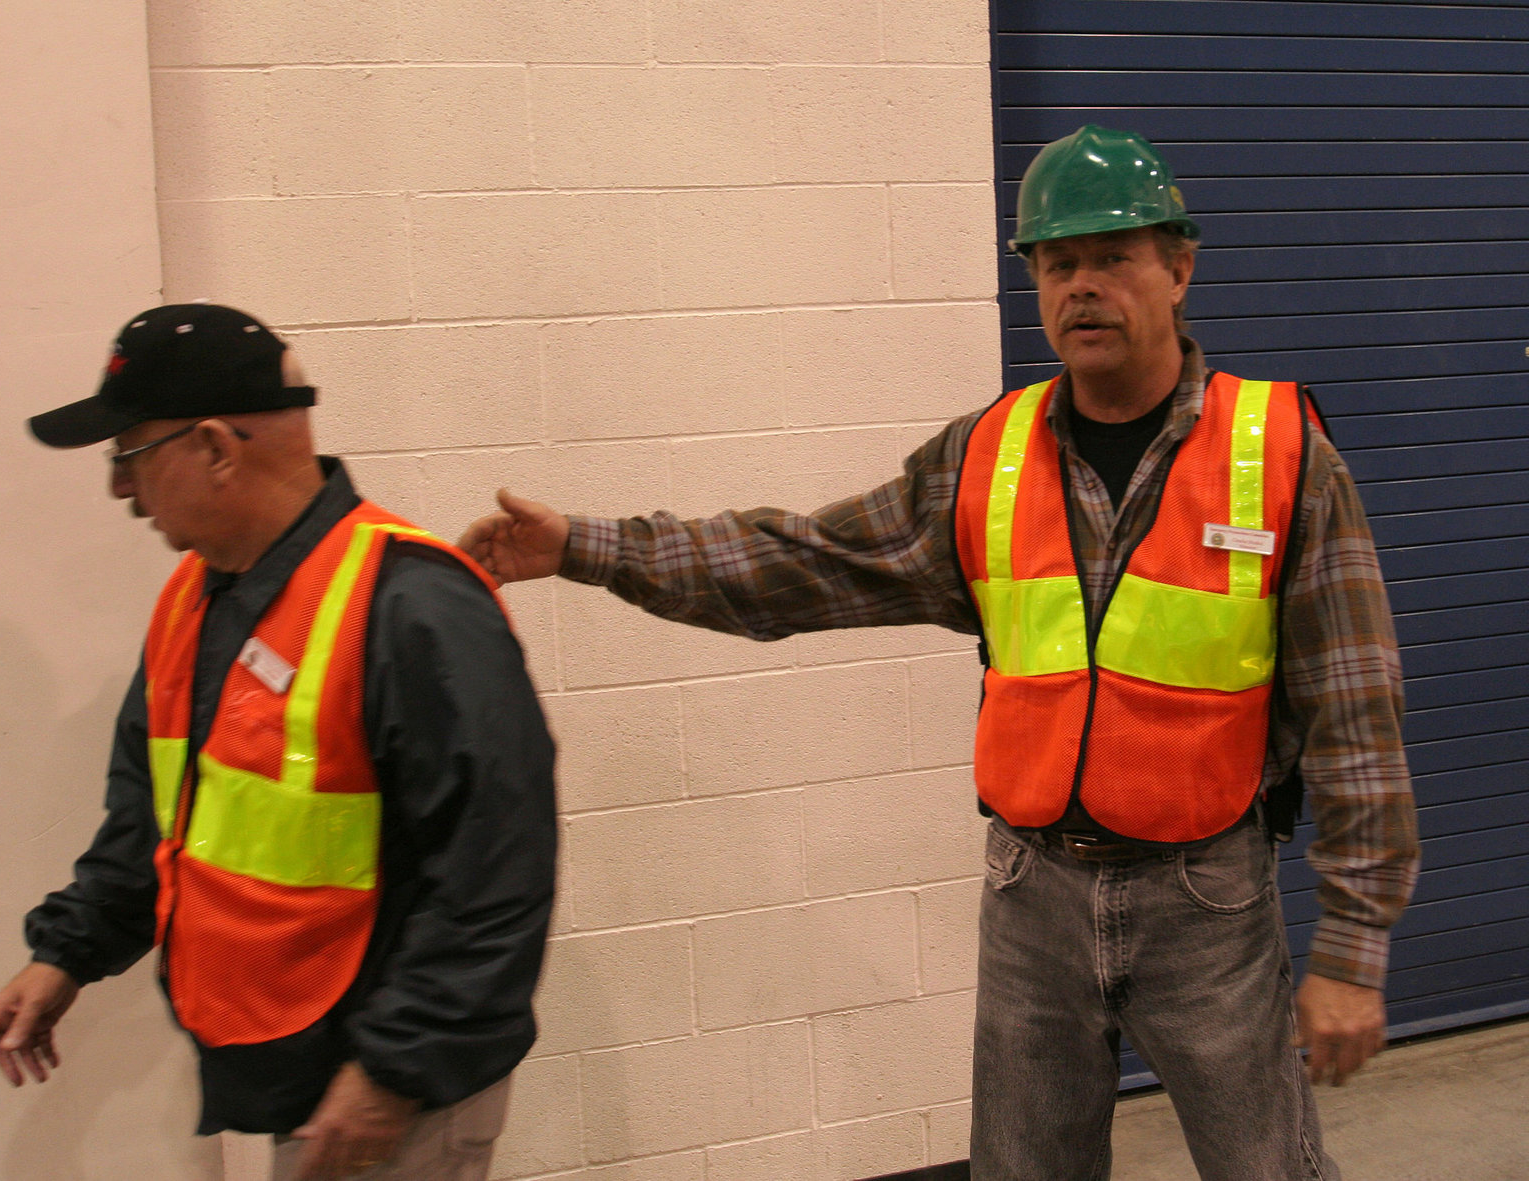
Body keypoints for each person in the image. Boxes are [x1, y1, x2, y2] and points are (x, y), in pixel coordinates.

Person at [459, 125, 1419, 1180]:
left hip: (1206, 898)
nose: (1082, 285)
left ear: (1178, 268)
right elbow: (795, 560)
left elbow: (1357, 716)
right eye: (1058, 263)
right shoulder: (983, 459)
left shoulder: (1277, 454)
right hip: (1031, 896)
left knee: (1267, 1167)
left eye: (1111, 255)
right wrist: (586, 548)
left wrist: (1351, 947)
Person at [0, 303, 558, 1181]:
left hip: (385, 1093)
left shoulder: (414, 606)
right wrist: (67, 952)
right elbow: (158, 812)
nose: (119, 490)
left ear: (215, 446)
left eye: (128, 454)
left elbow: (495, 877)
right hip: (296, 1067)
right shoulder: (194, 598)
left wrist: (389, 1077)